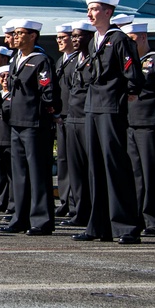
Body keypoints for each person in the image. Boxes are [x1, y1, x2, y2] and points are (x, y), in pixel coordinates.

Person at [72, 0, 143, 245]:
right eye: (88, 10)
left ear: (108, 12)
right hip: (93, 106)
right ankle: (98, 226)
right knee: (96, 168)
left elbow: (131, 71)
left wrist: (131, 93)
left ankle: (126, 227)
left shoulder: (119, 39)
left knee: (115, 166)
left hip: (111, 106)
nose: (90, 14)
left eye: (94, 9)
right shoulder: (94, 41)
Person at [1, 19, 60, 236]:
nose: (15, 37)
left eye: (20, 33)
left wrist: (45, 114)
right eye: (14, 33)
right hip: (17, 122)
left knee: (37, 173)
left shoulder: (40, 60)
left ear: (32, 35)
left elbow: (48, 91)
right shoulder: (17, 59)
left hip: (34, 123)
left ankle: (41, 220)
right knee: (20, 174)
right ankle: (20, 218)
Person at [120, 22, 155, 235]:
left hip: (150, 122)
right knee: (135, 173)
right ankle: (138, 216)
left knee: (151, 173)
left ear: (143, 37)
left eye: (131, 39)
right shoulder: (130, 62)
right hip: (132, 122)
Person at [62, 20, 96, 228]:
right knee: (76, 169)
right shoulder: (75, 61)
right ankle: (79, 212)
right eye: (73, 36)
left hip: (88, 118)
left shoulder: (94, 59)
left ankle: (93, 213)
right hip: (72, 118)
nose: (74, 39)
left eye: (79, 36)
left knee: (91, 168)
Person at [54, 24, 77, 217]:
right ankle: (66, 202)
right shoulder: (61, 61)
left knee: (76, 162)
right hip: (62, 117)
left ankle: (76, 204)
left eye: (63, 37)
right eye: (58, 38)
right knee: (63, 161)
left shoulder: (78, 60)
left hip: (75, 116)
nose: (59, 41)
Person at [0, 65, 13, 213]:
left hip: (9, 139)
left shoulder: (14, 96)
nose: (4, 80)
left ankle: (12, 203)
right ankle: (1, 200)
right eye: (2, 77)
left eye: (7, 76)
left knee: (11, 175)